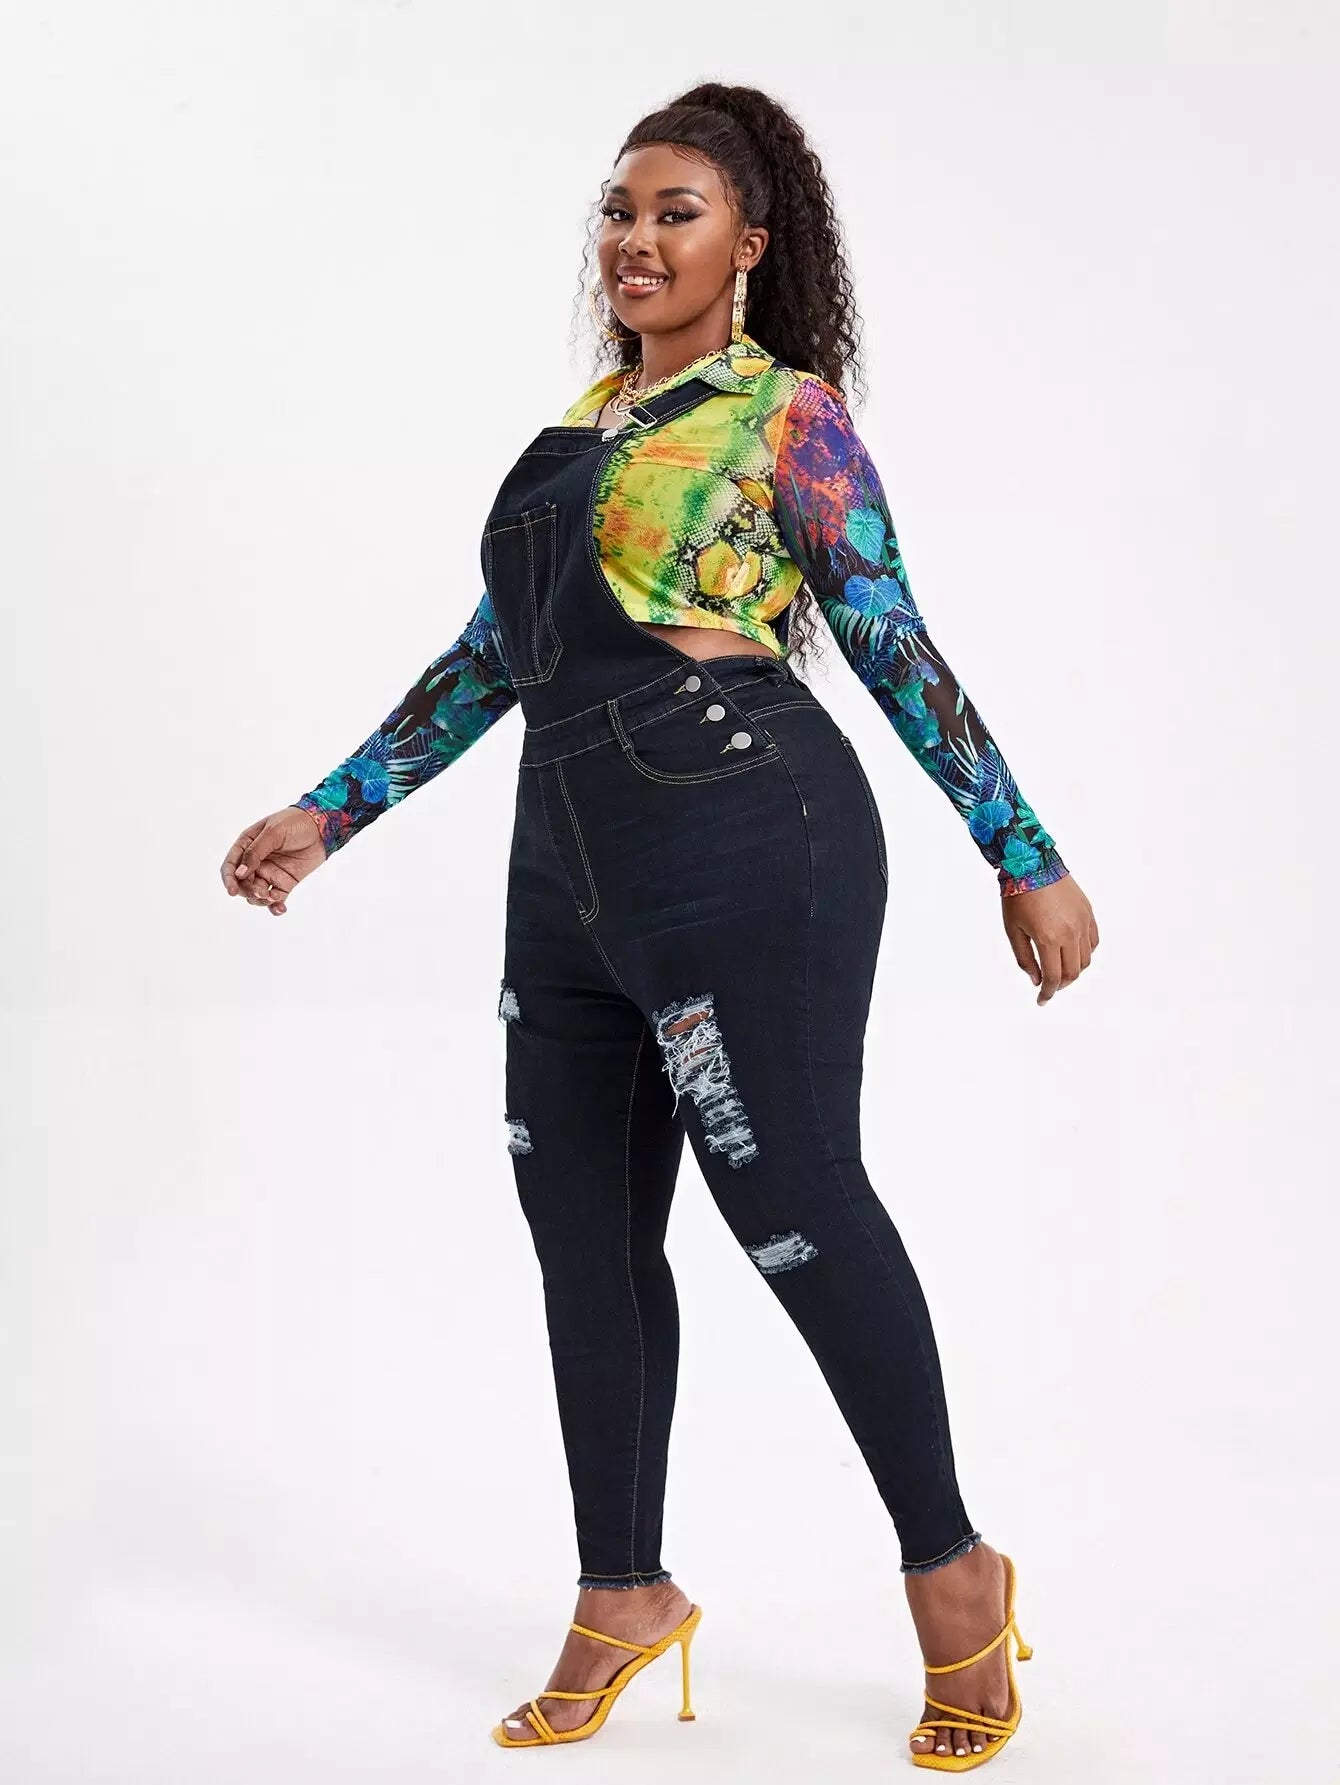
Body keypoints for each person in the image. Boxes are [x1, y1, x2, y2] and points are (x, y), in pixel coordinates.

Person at [219, 83, 1097, 1767]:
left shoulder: (785, 418)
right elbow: (496, 656)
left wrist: (1024, 852)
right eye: (618, 212)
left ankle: (954, 1573)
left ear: (747, 245)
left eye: (673, 212)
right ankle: (622, 1588)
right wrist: (330, 811)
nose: (634, 239)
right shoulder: (581, 428)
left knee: (794, 1199)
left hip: (743, 827)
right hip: (565, 858)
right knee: (582, 1227)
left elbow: (894, 639)